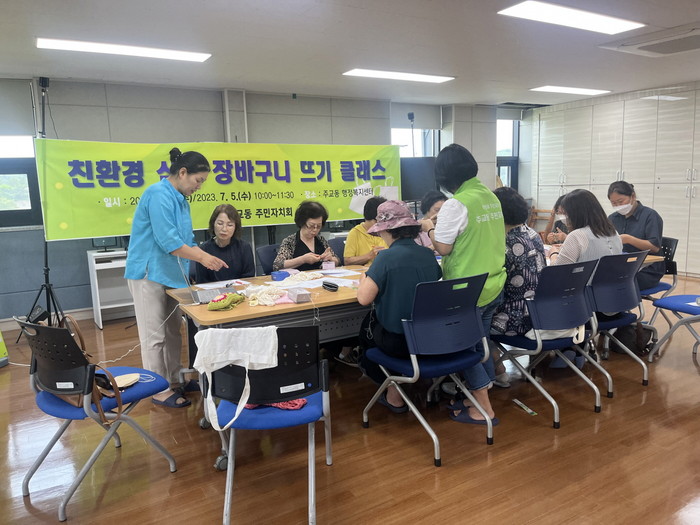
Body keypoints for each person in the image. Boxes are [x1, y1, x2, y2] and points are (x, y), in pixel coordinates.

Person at [125, 147, 228, 408]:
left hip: (172, 274)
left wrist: (201, 257)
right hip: (149, 273)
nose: (199, 187)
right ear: (182, 173)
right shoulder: (158, 194)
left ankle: (174, 379)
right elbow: (168, 242)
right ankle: (157, 389)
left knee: (173, 333)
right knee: (154, 336)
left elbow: (187, 240)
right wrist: (203, 258)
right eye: (198, 180)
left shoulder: (181, 200)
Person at [419, 144, 506, 425]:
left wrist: (429, 228)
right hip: (493, 282)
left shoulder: (456, 204)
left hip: (467, 291)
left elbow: (443, 248)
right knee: (483, 343)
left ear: (444, 177)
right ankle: (478, 397)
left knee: (465, 347)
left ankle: (484, 409)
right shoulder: (490, 197)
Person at [357, 200, 442, 412]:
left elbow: (364, 299)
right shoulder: (427, 254)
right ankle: (416, 384)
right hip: (432, 339)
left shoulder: (385, 258)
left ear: (387, 231)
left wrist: (364, 278)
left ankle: (393, 391)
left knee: (366, 331)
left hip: (400, 343)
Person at [491, 187, 546, 337]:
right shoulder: (533, 234)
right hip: (538, 315)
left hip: (511, 320)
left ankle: (487, 352)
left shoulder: (506, 243)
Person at [607, 181, 664, 290]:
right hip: (622, 266)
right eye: (613, 203)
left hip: (647, 270)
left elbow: (655, 247)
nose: (618, 206)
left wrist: (629, 239)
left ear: (632, 196)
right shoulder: (612, 218)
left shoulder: (650, 216)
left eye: (621, 201)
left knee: (616, 283)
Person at [550, 189, 622, 266]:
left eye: (565, 213)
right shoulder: (614, 233)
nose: (565, 217)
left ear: (574, 214)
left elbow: (558, 269)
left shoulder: (577, 235)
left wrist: (553, 254)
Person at [272, 200, 339, 272]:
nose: (315, 230)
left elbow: (337, 261)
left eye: (318, 226)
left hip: (321, 277)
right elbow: (278, 265)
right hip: (298, 277)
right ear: (302, 223)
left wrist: (331, 259)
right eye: (311, 226)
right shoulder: (290, 241)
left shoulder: (321, 240)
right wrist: (303, 259)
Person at [195, 204, 254, 283]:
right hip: (212, 290)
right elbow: (201, 282)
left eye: (230, 225)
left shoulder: (244, 247)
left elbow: (249, 278)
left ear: (236, 227)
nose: (224, 229)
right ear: (213, 224)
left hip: (239, 289)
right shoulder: (203, 249)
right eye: (220, 224)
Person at [343, 196, 387, 266]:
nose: (379, 226)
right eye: (377, 222)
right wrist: (369, 256)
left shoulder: (388, 232)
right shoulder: (355, 233)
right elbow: (347, 261)